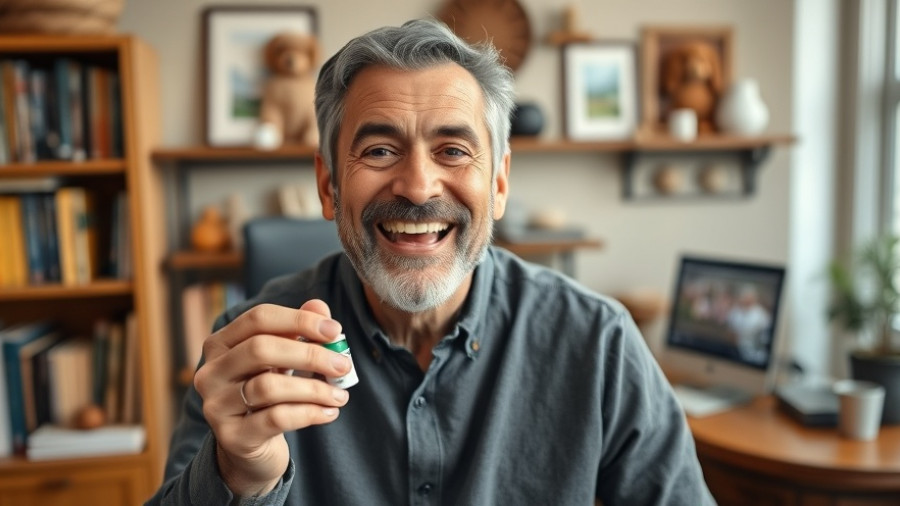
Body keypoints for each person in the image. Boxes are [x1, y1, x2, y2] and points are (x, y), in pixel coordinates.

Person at [147, 18, 715, 505]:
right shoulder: (249, 354)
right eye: (379, 150)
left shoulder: (599, 344)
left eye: (453, 150)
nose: (418, 187)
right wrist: (239, 475)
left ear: (498, 183)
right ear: (328, 185)